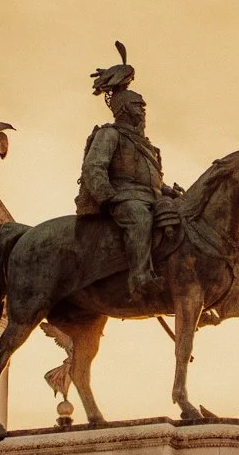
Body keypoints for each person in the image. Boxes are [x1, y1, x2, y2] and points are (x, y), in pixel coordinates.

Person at [76, 48, 178, 298]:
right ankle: (140, 277)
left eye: (143, 107)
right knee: (139, 218)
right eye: (137, 106)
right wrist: (107, 196)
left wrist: (169, 191)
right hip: (123, 197)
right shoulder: (110, 134)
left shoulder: (149, 146)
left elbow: (154, 180)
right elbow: (94, 167)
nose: (143, 111)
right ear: (124, 109)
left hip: (152, 198)